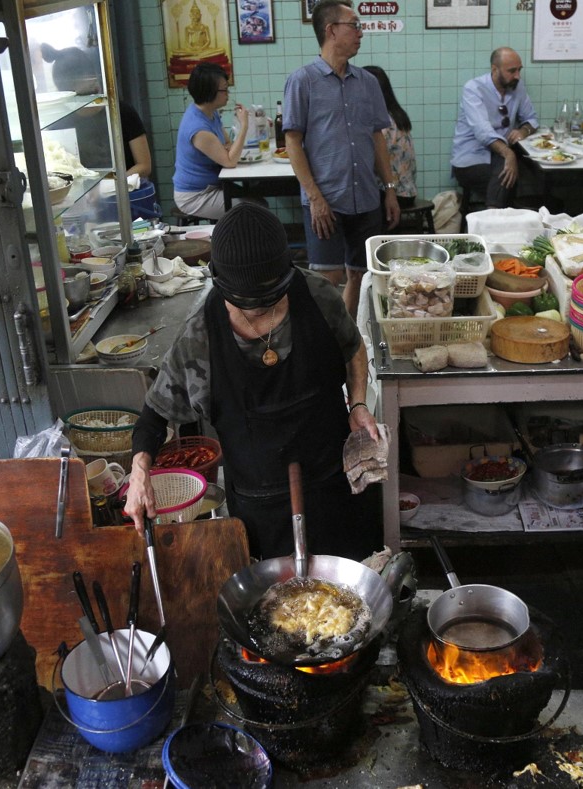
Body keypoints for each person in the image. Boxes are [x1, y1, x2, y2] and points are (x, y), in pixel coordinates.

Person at [123, 202, 382, 561]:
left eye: (272, 296)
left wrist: (358, 404)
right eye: (246, 301)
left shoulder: (318, 296)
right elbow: (153, 417)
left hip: (336, 492)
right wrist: (139, 474)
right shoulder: (199, 338)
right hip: (262, 514)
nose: (260, 309)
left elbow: (353, 348)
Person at [283, 0, 400, 320]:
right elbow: (292, 140)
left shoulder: (368, 82)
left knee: (359, 274)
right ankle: (322, 341)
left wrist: (389, 189)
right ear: (331, 30)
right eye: (355, 25)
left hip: (365, 196)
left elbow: (377, 137)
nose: (361, 32)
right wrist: (314, 196)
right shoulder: (302, 81)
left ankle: (346, 338)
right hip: (326, 200)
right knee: (326, 279)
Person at [40, 45, 152, 180]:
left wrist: (112, 184)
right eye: (85, 77)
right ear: (68, 88)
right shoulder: (60, 124)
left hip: (127, 192)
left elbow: (144, 166)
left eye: (92, 74)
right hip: (87, 199)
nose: (93, 81)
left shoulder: (122, 112)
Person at [449, 47, 540, 210]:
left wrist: (523, 131)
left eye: (519, 70)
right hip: (471, 157)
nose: (517, 76)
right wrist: (508, 153)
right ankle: (495, 215)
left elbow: (531, 119)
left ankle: (493, 216)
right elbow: (483, 132)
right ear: (494, 69)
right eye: (512, 71)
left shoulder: (518, 87)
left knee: (512, 171)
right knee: (507, 175)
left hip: (500, 156)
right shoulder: (474, 88)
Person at [171, 63, 248, 221]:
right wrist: (244, 126)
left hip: (211, 187)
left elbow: (227, 145)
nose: (228, 94)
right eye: (224, 89)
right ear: (210, 92)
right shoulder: (198, 128)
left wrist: (227, 150)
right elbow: (229, 161)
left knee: (258, 203)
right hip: (195, 195)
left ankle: (241, 244)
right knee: (254, 210)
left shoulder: (209, 113)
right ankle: (236, 245)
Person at [363, 65, 417, 208]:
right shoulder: (396, 115)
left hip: (393, 194)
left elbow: (371, 160)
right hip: (406, 191)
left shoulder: (383, 123)